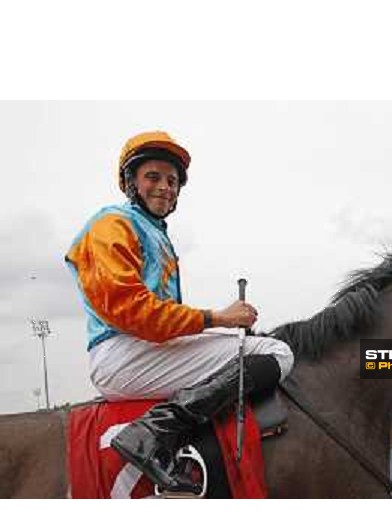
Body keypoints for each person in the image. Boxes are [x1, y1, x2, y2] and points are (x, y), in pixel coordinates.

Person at [65, 131, 294, 492]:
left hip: (144, 348)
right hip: (122, 354)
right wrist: (217, 318)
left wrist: (220, 327)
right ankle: (153, 432)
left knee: (245, 341)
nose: (165, 187)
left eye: (172, 181)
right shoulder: (111, 225)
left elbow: (164, 318)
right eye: (152, 177)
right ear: (131, 183)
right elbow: (134, 311)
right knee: (276, 353)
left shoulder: (155, 233)